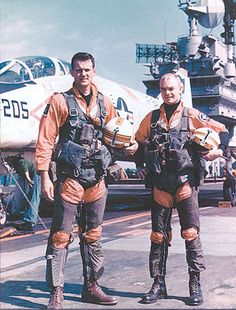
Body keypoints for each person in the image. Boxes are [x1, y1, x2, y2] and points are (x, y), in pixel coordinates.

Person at [35, 52, 136, 309]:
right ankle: (56, 291)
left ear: (94, 71)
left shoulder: (104, 103)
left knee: (93, 235)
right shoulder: (60, 102)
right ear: (72, 72)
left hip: (97, 180)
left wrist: (130, 145)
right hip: (70, 179)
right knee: (60, 236)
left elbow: (115, 133)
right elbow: (46, 139)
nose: (84, 74)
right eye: (79, 70)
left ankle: (91, 286)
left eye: (88, 70)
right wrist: (45, 175)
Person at [133, 73, 230, 306]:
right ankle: (158, 284)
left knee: (190, 234)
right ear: (161, 90)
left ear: (179, 90)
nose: (168, 93)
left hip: (185, 184)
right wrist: (139, 166)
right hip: (160, 185)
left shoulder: (193, 116)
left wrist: (215, 151)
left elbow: (223, 131)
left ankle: (194, 284)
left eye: (172, 89)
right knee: (158, 236)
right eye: (164, 89)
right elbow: (138, 141)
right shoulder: (152, 118)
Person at [5, 154, 41, 232]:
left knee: (33, 198)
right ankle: (15, 213)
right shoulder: (15, 165)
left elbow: (25, 169)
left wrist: (28, 180)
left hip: (34, 175)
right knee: (18, 195)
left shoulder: (21, 161)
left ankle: (30, 222)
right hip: (24, 176)